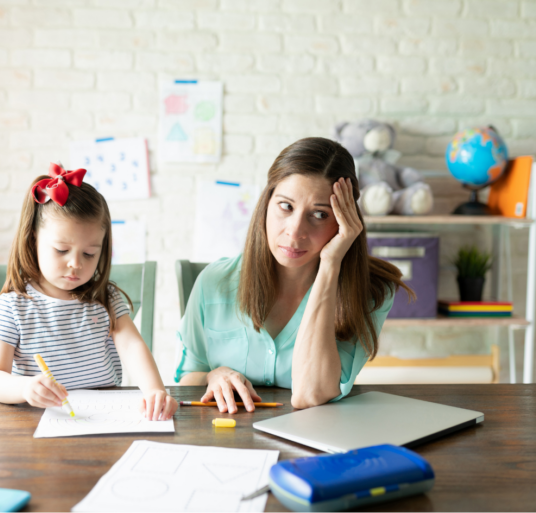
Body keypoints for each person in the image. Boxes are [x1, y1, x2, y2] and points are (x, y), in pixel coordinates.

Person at [175, 138, 413, 413]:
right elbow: (186, 379)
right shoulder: (213, 281)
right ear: (266, 203)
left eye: (320, 214)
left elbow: (310, 394)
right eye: (286, 207)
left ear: (344, 220)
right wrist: (213, 375)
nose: (295, 230)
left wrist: (331, 262)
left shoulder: (370, 292)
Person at [0, 164, 177, 421]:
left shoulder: (105, 298)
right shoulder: (15, 305)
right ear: (33, 241)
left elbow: (131, 346)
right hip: (36, 422)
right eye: (62, 250)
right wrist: (25, 388)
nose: (76, 264)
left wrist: (154, 391)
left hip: (103, 419)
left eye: (89, 253)